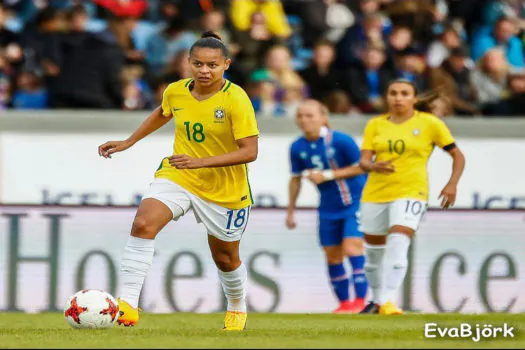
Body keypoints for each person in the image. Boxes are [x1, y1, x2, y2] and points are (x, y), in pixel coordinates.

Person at [98, 31, 259, 331]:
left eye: (212, 65)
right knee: (143, 224)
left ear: (226, 64)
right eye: (198, 64)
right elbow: (163, 112)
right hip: (180, 173)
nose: (205, 71)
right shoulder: (176, 90)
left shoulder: (236, 99)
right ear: (188, 63)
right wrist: (129, 141)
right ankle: (128, 304)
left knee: (226, 259)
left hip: (225, 188)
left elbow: (250, 152)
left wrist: (201, 161)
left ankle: (237, 306)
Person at [358, 79, 466, 315]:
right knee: (373, 254)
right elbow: (364, 160)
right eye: (393, 93)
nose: (398, 98)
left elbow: (457, 156)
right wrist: (372, 166)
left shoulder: (429, 123)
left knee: (398, 241)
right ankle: (377, 302)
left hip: (411, 191)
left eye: (404, 93)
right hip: (375, 193)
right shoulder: (376, 125)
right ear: (387, 97)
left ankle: (387, 301)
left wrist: (452, 184)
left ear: (414, 99)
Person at [286, 99, 369, 314]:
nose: (304, 120)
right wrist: (291, 211)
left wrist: (328, 175)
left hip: (355, 203)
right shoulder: (297, 147)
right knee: (332, 255)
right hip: (328, 208)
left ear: (323, 117)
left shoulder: (340, 141)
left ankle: (361, 301)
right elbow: (295, 179)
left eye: (310, 115)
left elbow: (363, 167)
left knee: (352, 248)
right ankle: (345, 304)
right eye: (300, 116)